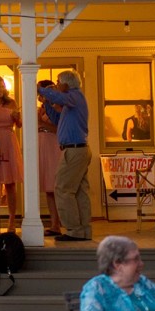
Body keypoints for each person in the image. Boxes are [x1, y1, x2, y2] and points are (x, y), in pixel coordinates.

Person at [37, 69, 92, 242]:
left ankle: (73, 230)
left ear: (66, 84)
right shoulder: (72, 103)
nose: (56, 85)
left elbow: (58, 97)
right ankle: (83, 230)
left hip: (74, 150)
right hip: (78, 150)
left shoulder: (74, 96)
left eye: (58, 82)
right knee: (79, 192)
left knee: (62, 188)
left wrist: (40, 88)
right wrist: (46, 101)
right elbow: (55, 118)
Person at [0, 75, 24, 233]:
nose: (1, 90)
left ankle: (12, 221)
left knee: (10, 183)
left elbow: (19, 125)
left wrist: (17, 118)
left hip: (8, 141)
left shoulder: (11, 102)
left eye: (2, 86)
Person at [37, 80, 63, 237]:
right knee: (48, 188)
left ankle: (59, 222)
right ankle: (53, 224)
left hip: (54, 146)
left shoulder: (57, 107)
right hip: (42, 146)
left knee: (56, 186)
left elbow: (59, 128)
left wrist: (42, 124)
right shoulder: (40, 108)